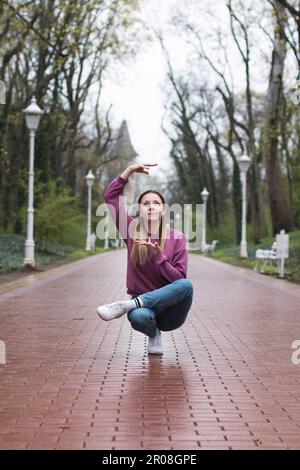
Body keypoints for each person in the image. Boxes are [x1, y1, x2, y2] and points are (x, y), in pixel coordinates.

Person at [96, 163, 193, 355]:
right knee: (139, 317)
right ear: (139, 210)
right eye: (146, 204)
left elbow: (178, 280)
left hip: (170, 311)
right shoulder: (131, 232)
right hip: (144, 310)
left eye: (156, 203)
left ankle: (126, 306)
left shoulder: (177, 238)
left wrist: (158, 256)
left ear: (164, 210)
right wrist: (128, 171)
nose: (151, 207)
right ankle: (153, 334)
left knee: (186, 285)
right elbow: (110, 198)